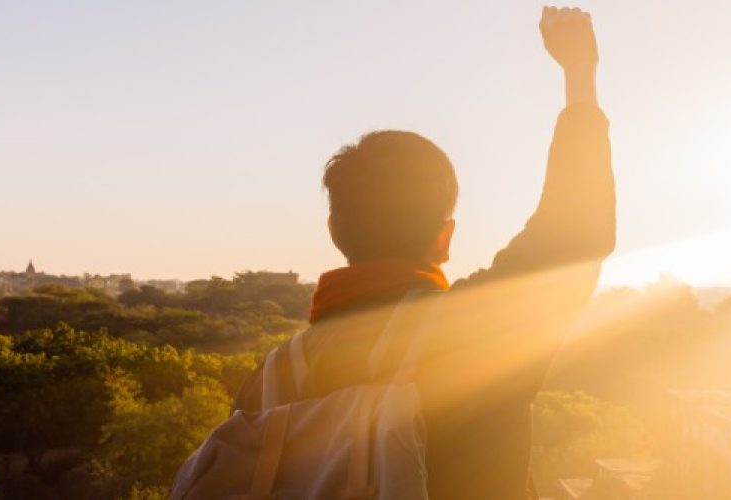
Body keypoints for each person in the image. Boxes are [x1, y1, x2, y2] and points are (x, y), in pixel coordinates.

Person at [232, 6, 614, 499]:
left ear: (333, 230)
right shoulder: (470, 332)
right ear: (445, 237)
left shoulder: (267, 382)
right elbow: (575, 230)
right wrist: (579, 72)